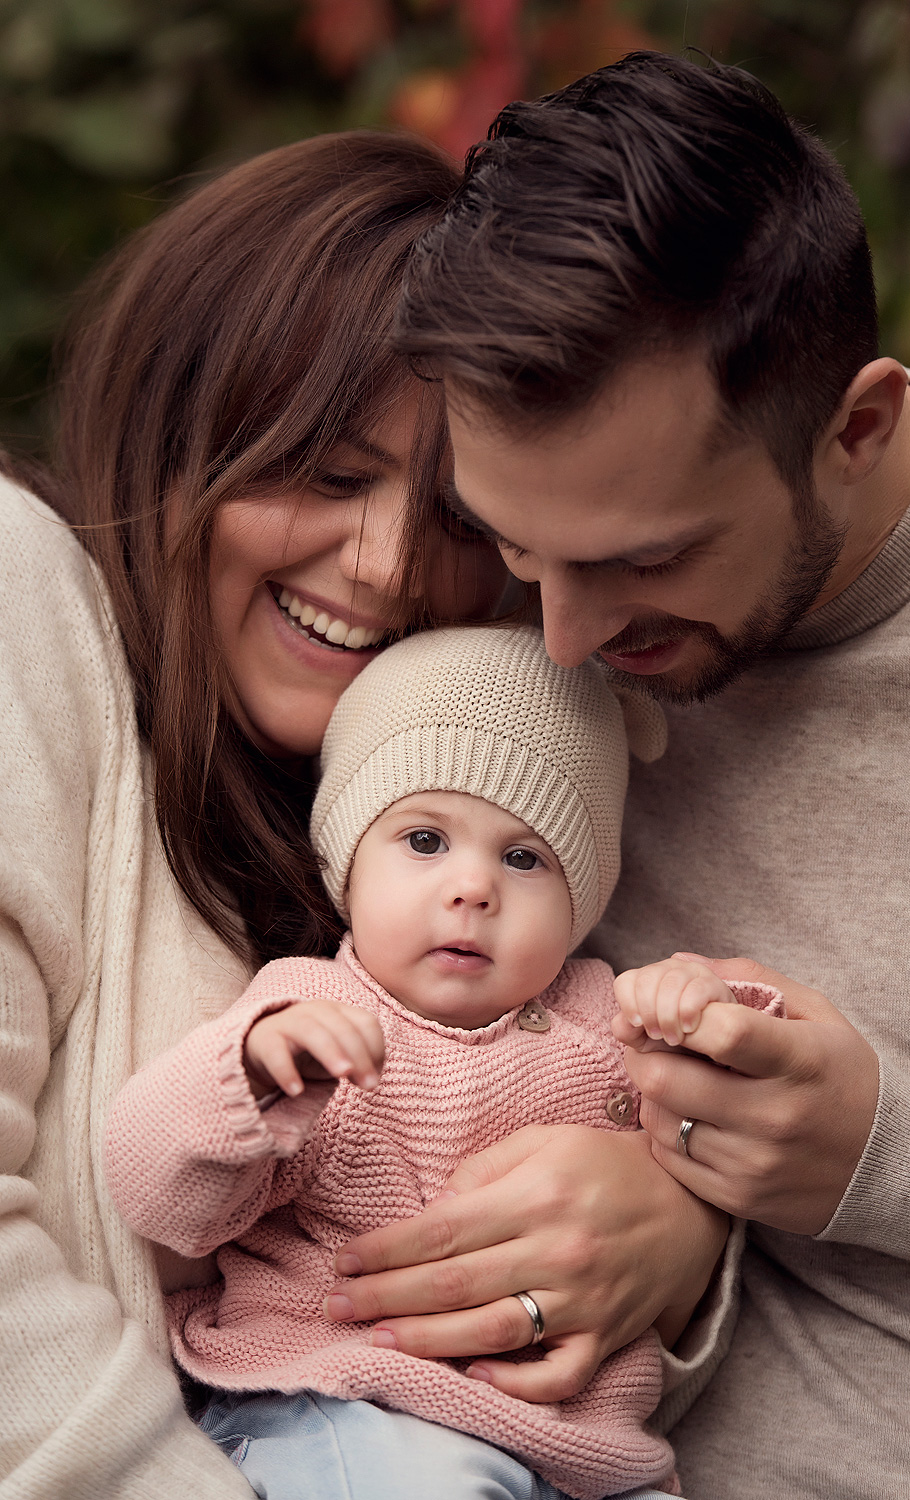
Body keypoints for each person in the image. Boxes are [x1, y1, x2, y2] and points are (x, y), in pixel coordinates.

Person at [0, 126, 731, 1498]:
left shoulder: (449, 778)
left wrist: (675, 1240)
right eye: (328, 476)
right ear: (189, 420)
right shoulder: (17, 596)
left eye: (456, 519)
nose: (391, 563)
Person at [358, 51, 910, 1500]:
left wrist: (899, 1159)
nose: (565, 640)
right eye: (520, 549)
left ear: (857, 429)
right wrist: (682, 1210)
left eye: (643, 563)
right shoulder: (491, 599)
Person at [107, 622, 770, 1500]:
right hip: (345, 1401)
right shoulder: (311, 1015)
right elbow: (155, 1197)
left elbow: (755, 1097)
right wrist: (252, 1080)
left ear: (583, 901)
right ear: (346, 862)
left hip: (581, 1454)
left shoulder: (613, 1020)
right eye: (424, 841)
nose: (472, 887)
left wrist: (712, 1002)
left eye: (525, 857)